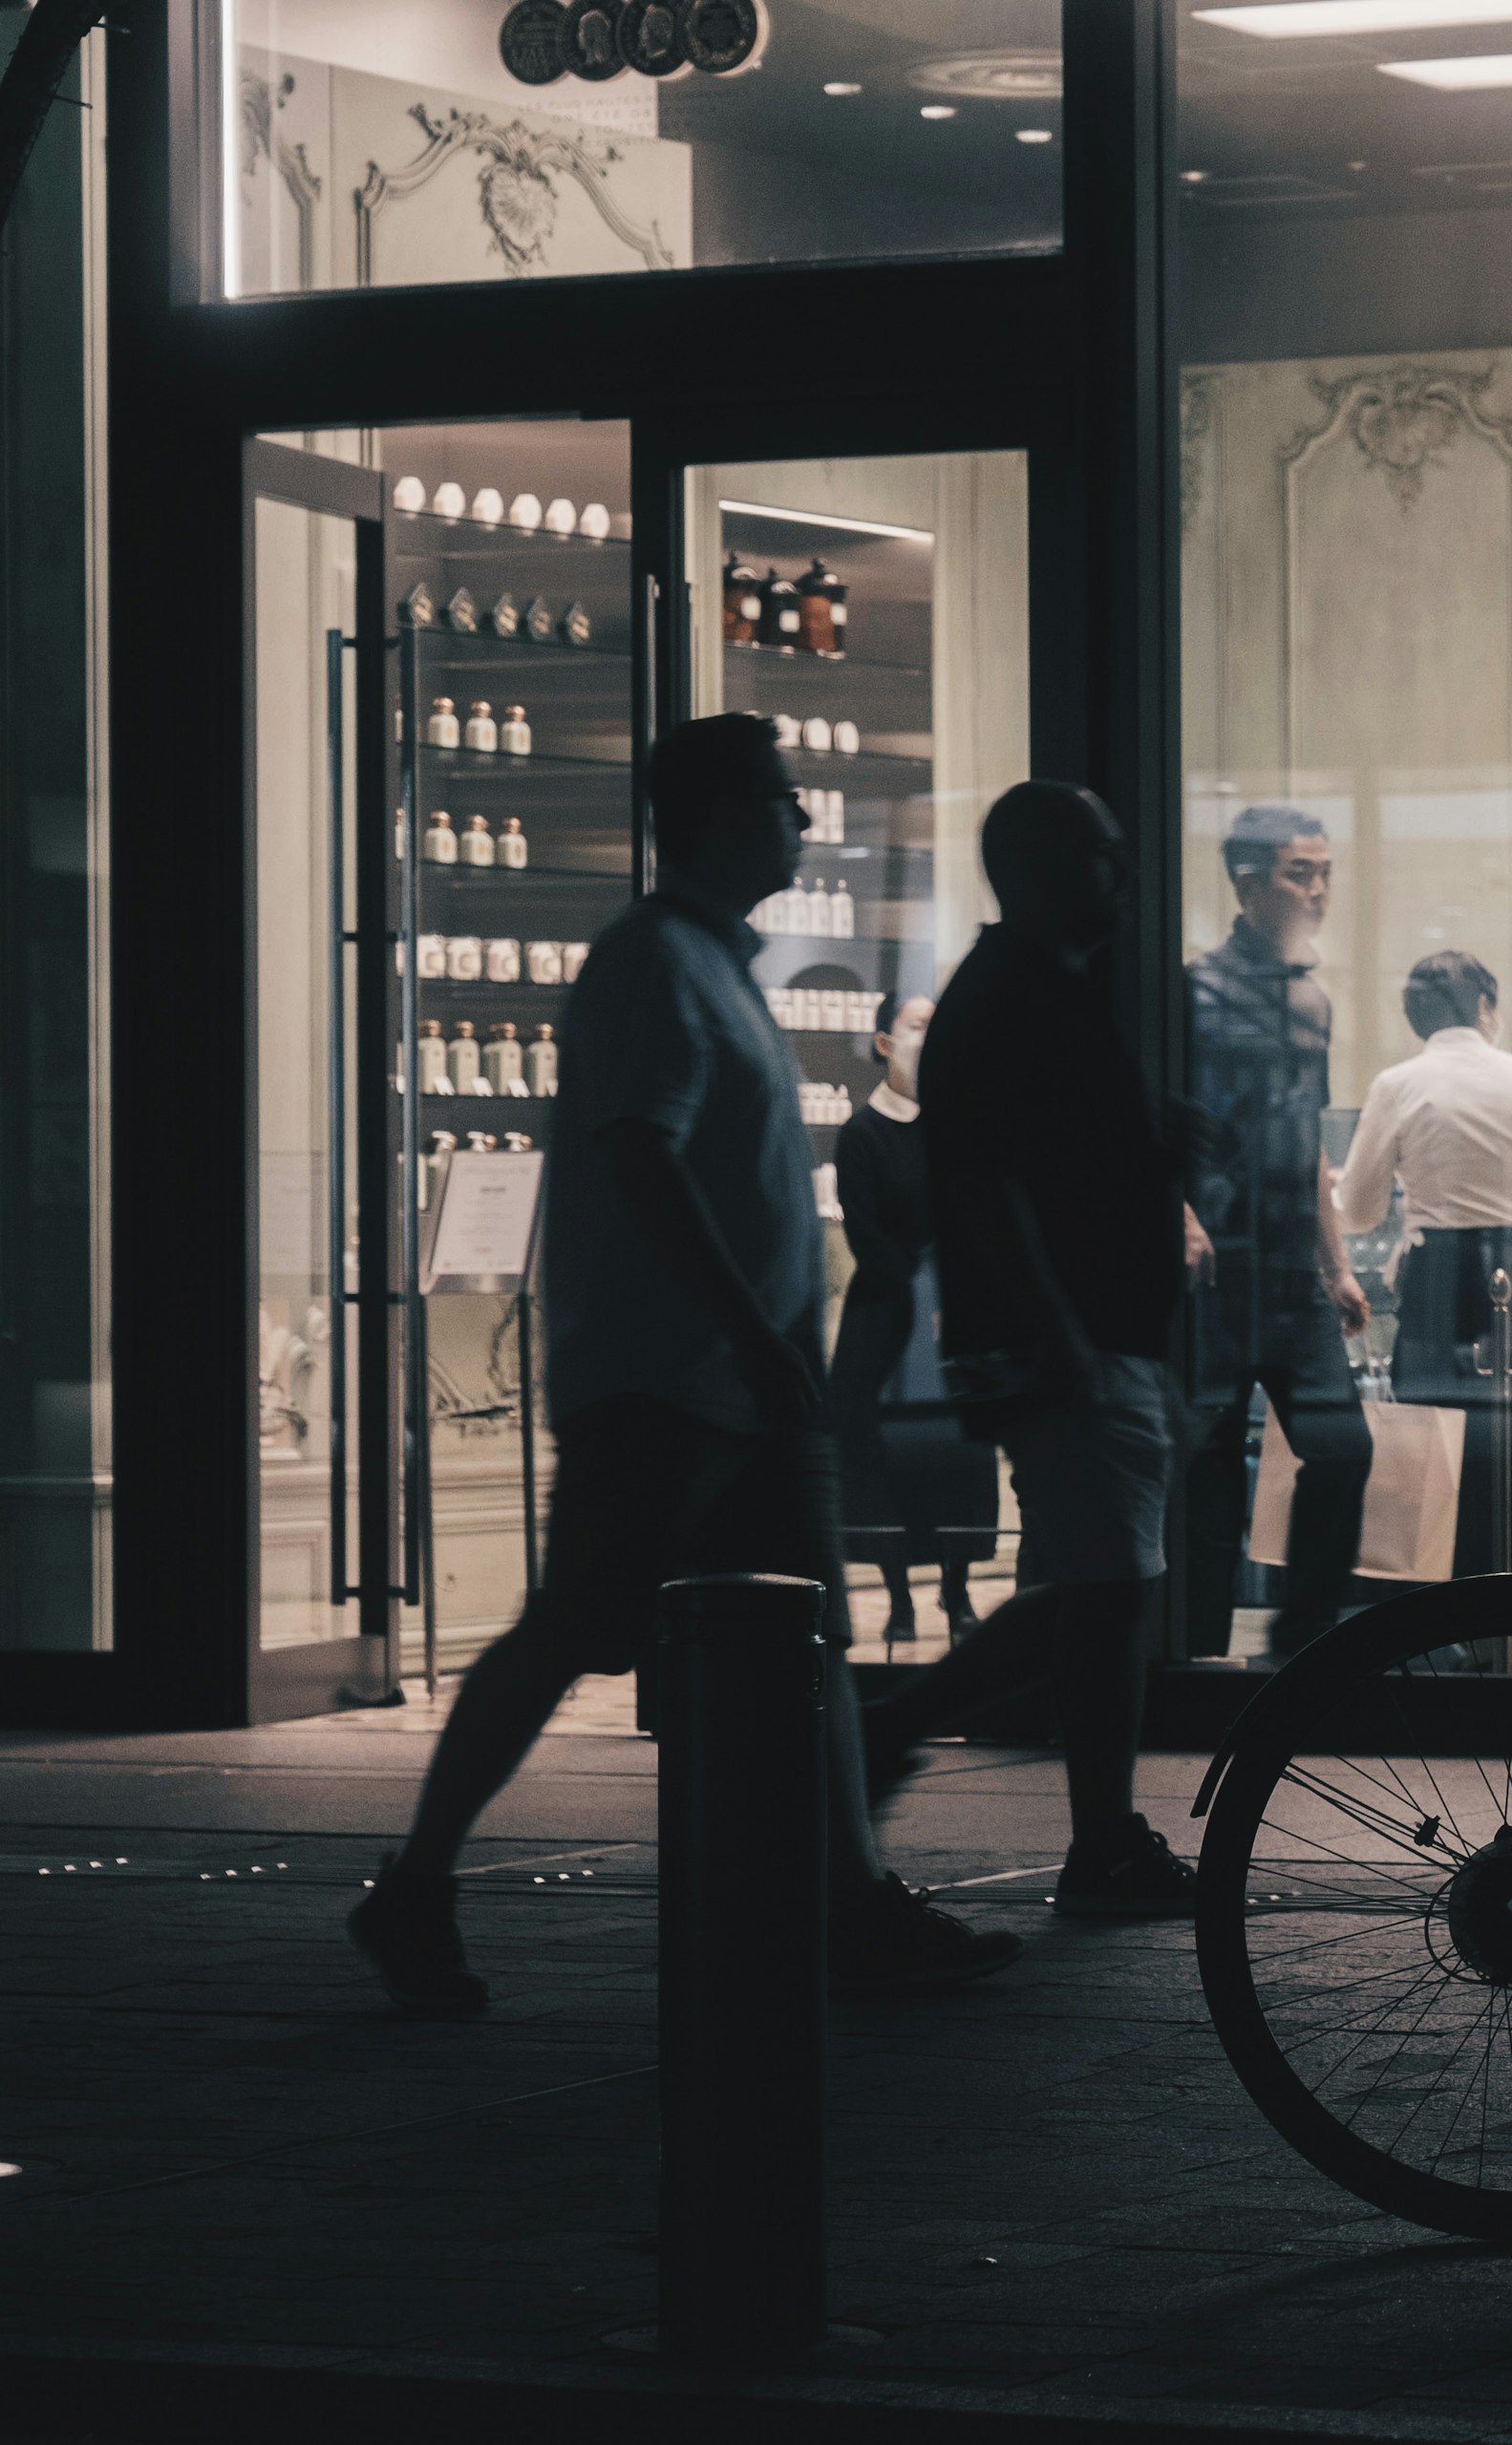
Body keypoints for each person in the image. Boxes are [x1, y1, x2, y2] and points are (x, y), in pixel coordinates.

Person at [347, 713, 1015, 2011]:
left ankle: (847, 1901)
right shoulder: (654, 966)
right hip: (673, 1384)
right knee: (574, 1629)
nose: (801, 822)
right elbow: (643, 1159)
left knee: (801, 1637)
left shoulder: (708, 965)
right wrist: (755, 1333)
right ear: (713, 817)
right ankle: (418, 1883)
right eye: (778, 800)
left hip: (743, 1390)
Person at [859, 781, 1200, 1916]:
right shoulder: (1014, 997)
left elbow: (1048, 1167)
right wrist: (1063, 1333)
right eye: (1100, 855)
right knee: (1106, 1590)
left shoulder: (1037, 990)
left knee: (1103, 1586)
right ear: (1043, 868)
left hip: (1086, 1336)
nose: (1122, 874)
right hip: (1070, 1341)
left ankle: (1094, 1831)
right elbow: (992, 1184)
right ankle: (1068, 1821)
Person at [1335, 950, 1512, 1576]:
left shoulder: (1397, 1085)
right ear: (1485, 1006)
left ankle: (1434, 1619)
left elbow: (1362, 1209)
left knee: (1429, 1454)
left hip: (1437, 1269)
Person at [1182, 804, 1372, 1659]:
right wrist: (1178, 1217)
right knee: (1208, 1473)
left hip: (1294, 1272)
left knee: (1343, 1451)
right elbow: (1160, 1132)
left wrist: (1338, 1264)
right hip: (1214, 1274)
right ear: (1248, 884)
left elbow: (1310, 1153)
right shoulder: (1192, 992)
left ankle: (1304, 1647)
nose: (1320, 889)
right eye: (1302, 872)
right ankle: (1193, 1655)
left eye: (1326, 871)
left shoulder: (1312, 1000)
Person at [829, 993, 999, 1644]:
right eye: (916, 1026)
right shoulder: (862, 1134)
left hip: (956, 1320)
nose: (928, 1039)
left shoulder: (959, 1126)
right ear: (883, 1042)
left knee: (961, 1460)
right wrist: (918, 1294)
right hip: (890, 1319)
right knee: (884, 1465)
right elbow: (866, 1236)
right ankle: (899, 1597)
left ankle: (956, 1594)